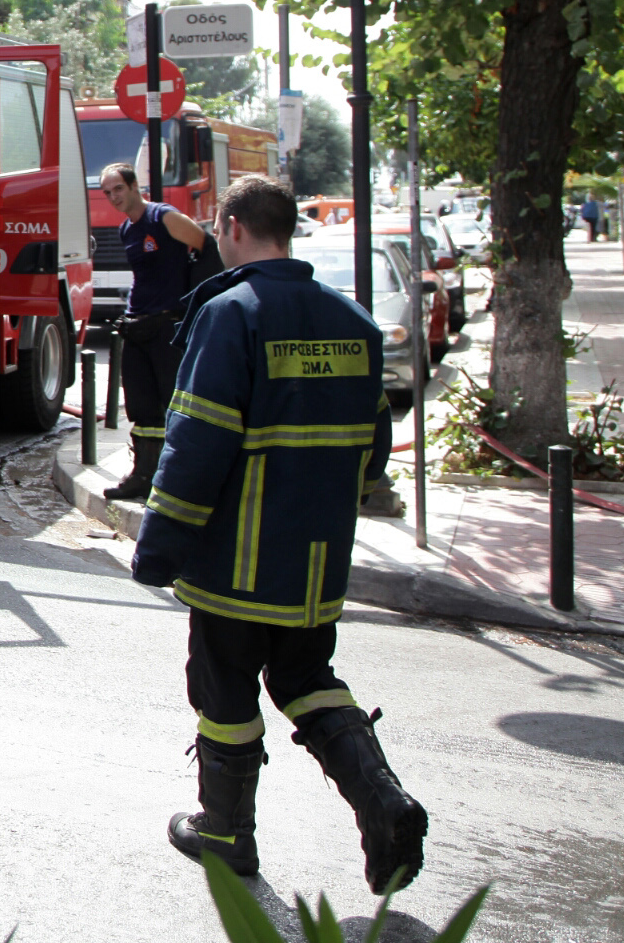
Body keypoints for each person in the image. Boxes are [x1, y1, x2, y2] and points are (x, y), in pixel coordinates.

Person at [132, 174, 428, 896]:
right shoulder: (353, 321)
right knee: (306, 677)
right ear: (286, 230)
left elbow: (196, 442)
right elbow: (373, 446)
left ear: (232, 228)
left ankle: (227, 834)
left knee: (224, 687)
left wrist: (159, 544)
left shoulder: (232, 313)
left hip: (236, 557)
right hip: (316, 561)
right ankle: (385, 801)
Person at [99, 162, 209, 500]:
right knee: (142, 406)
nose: (113, 197)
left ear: (134, 186)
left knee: (172, 402)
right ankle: (144, 474)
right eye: (107, 193)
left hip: (166, 326)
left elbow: (205, 247)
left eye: (118, 189)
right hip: (138, 325)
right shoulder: (126, 230)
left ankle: (178, 477)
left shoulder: (163, 217)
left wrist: (197, 310)